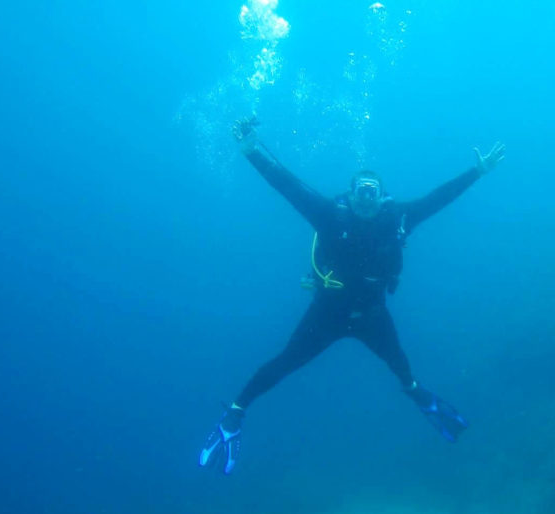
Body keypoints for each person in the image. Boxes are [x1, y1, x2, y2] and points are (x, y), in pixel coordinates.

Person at [200, 118, 506, 474]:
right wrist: (252, 151)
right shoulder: (330, 215)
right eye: (361, 190)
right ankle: (234, 415)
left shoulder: (399, 218)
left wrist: (478, 171)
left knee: (401, 368)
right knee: (284, 362)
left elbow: (439, 199)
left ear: (381, 195)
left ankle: (421, 396)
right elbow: (287, 186)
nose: (366, 198)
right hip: (326, 314)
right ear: (351, 192)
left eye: (372, 191)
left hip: (373, 315)